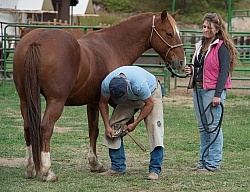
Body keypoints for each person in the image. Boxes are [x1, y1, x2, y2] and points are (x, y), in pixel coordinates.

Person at [184, 13, 237, 172]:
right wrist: (191, 69)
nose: (205, 30)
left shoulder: (222, 47)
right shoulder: (200, 45)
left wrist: (217, 94)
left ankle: (212, 163)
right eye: (204, 26)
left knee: (213, 127)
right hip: (198, 88)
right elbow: (200, 66)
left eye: (209, 27)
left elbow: (223, 72)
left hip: (212, 90)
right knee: (203, 127)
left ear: (217, 29)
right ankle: (203, 161)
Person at [99, 66, 164, 180]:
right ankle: (117, 167)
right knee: (114, 125)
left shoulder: (139, 84)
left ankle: (154, 169)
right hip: (130, 97)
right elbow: (103, 103)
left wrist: (135, 123)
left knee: (155, 127)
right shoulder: (106, 84)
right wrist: (107, 126)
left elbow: (149, 104)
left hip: (151, 93)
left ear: (127, 85)